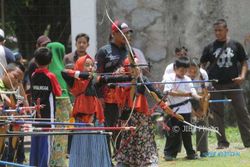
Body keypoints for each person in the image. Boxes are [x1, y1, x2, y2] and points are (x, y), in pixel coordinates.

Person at [200, 19, 250, 149]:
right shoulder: (209, 47)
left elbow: (244, 61)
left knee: (242, 112)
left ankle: (248, 141)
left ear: (226, 30)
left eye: (220, 30)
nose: (217, 33)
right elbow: (202, 65)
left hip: (233, 83)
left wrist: (243, 76)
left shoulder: (236, 45)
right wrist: (204, 81)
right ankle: (222, 142)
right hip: (215, 85)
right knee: (217, 114)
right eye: (215, 31)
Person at [66, 55, 111, 167]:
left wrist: (128, 78)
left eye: (92, 65)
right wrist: (81, 74)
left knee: (96, 145)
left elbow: (108, 79)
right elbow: (64, 72)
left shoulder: (94, 80)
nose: (90, 67)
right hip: (82, 120)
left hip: (95, 118)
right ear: (80, 66)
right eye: (87, 65)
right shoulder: (76, 82)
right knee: (82, 146)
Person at [95, 20, 131, 156]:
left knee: (123, 127)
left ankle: (120, 156)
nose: (126, 36)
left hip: (126, 97)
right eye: (123, 33)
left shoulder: (129, 51)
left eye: (128, 33)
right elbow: (97, 76)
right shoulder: (104, 51)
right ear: (114, 33)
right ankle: (106, 158)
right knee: (109, 127)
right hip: (109, 97)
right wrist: (99, 96)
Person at [163, 56, 200, 161]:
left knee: (187, 133)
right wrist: (185, 94)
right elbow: (169, 91)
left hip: (186, 111)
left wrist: (200, 98)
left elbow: (193, 92)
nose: (183, 72)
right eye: (181, 70)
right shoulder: (169, 78)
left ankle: (190, 153)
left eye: (185, 70)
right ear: (175, 68)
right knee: (174, 132)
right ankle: (169, 154)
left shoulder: (188, 79)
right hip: (174, 111)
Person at [29, 47, 62, 167]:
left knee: (36, 141)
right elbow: (58, 92)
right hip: (48, 116)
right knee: (46, 143)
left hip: (35, 115)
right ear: (51, 61)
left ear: (35, 61)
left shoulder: (33, 75)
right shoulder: (50, 76)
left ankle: (33, 164)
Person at [46, 42, 72, 166]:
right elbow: (64, 96)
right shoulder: (61, 71)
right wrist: (73, 114)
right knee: (61, 139)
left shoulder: (45, 70)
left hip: (47, 112)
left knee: (50, 138)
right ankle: (58, 163)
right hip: (61, 113)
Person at [186, 58, 209, 157]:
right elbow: (185, 97)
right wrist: (193, 112)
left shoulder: (203, 74)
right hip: (185, 99)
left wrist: (203, 111)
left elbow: (206, 94)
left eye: (194, 71)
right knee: (183, 125)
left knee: (202, 121)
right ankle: (178, 151)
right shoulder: (184, 77)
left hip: (200, 98)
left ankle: (203, 150)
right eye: (190, 71)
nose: (192, 73)